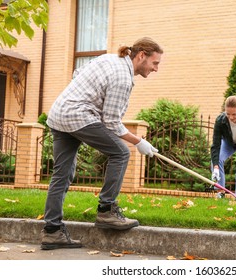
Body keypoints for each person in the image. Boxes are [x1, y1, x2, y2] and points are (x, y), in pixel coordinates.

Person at [41, 37, 163, 250]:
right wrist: (140, 142)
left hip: (59, 114)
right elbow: (112, 123)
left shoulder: (110, 59)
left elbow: (77, 74)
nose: (156, 69)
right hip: (78, 116)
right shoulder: (123, 78)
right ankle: (106, 210)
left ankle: (52, 232)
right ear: (141, 55)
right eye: (155, 63)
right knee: (121, 153)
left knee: (61, 174)